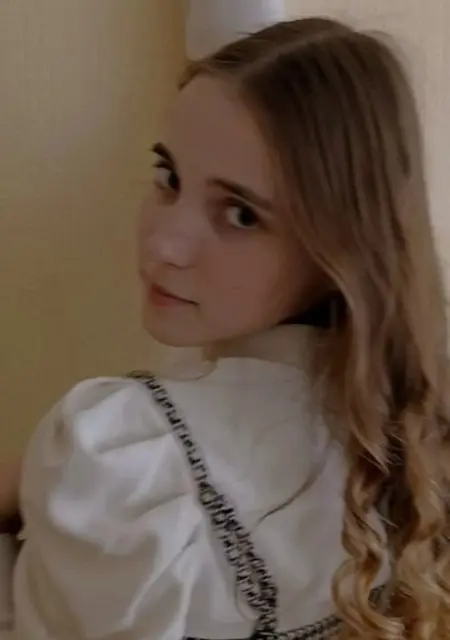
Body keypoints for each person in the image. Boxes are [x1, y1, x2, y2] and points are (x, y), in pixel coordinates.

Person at [1, 16, 449, 640]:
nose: (165, 244)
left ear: (341, 249)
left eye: (240, 215)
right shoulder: (413, 445)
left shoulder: (116, 451)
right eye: (169, 178)